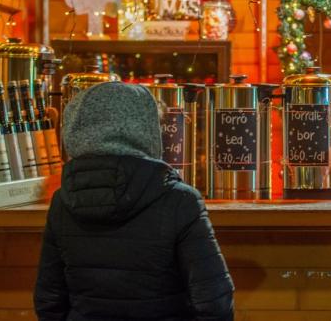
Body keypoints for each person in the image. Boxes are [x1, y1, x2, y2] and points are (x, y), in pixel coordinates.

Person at [34, 82, 234, 321]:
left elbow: (49, 300)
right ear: (147, 130)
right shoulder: (180, 200)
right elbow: (215, 302)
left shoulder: (63, 201)